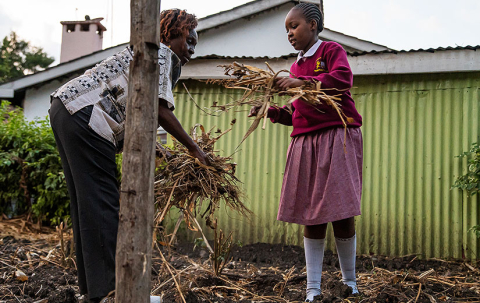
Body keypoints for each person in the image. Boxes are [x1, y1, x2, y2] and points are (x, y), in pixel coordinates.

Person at [49, 9, 206, 303]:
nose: (192, 52)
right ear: (172, 35)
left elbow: (142, 111)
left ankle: (96, 291)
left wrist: (160, 150)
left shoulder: (141, 53)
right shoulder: (161, 54)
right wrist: (193, 148)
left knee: (88, 205)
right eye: (190, 42)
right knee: (104, 203)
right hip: (86, 116)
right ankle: (114, 292)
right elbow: (160, 109)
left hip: (65, 109)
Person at [249, 3, 363, 302]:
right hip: (305, 142)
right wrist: (271, 111)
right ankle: (313, 289)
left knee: (341, 211)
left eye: (294, 26)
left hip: (337, 135)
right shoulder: (296, 66)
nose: (289, 33)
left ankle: (349, 283)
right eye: (286, 29)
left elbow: (342, 80)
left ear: (313, 25)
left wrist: (303, 82)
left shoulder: (330, 51)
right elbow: (298, 112)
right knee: (311, 215)